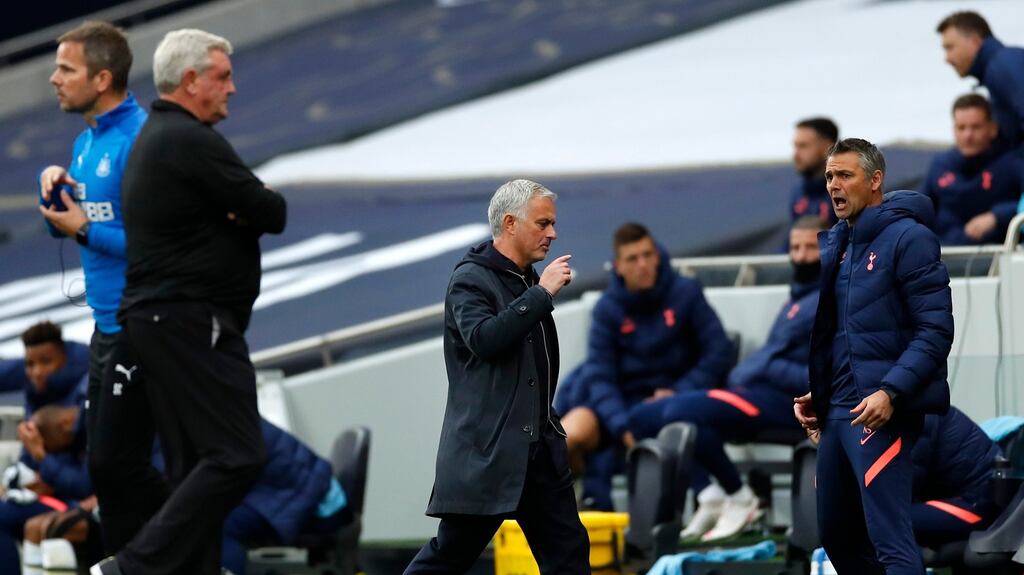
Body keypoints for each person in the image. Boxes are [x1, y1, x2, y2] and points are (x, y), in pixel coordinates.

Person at [91, 29, 287, 575]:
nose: (232, 88)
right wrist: (245, 211)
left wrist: (240, 212)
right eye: (223, 76)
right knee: (237, 453)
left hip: (158, 321)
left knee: (192, 467)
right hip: (189, 320)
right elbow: (270, 210)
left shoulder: (162, 137)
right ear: (191, 79)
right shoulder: (188, 140)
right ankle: (129, 567)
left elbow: (254, 210)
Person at [404, 179, 589, 574]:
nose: (553, 233)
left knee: (569, 557)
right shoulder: (471, 280)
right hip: (490, 454)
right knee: (449, 555)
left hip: (537, 451)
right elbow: (485, 340)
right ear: (510, 223)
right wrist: (542, 295)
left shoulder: (524, 278)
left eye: (552, 224)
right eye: (542, 224)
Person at [34, 21, 165, 559]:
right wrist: (55, 192)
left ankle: (174, 553)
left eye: (66, 69)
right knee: (108, 465)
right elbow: (71, 224)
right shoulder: (86, 142)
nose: (53, 79)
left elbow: (155, 245)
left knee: (116, 464)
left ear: (102, 77)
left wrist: (83, 228)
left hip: (142, 324)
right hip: (105, 326)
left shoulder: (140, 140)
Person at [794, 138, 954, 575]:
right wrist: (821, 394)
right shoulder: (840, 242)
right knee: (837, 537)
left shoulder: (911, 238)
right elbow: (848, 335)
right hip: (839, 412)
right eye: (829, 176)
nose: (833, 185)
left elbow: (935, 330)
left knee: (889, 538)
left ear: (875, 179)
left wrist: (891, 392)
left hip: (881, 413)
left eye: (844, 175)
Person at [627, 215, 826, 541]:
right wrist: (759, 367)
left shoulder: (833, 301)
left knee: (679, 413)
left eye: (810, 248)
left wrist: (767, 366)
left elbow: (824, 376)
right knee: (640, 417)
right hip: (750, 392)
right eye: (795, 247)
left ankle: (741, 496)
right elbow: (766, 360)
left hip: (788, 404)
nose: (802, 256)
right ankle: (710, 494)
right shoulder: (797, 300)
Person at [556, 222, 733, 511]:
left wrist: (678, 391)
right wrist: (621, 424)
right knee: (565, 436)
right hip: (622, 405)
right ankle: (571, 513)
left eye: (648, 255)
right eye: (633, 259)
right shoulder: (607, 308)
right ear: (618, 266)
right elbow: (600, 375)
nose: (643, 264)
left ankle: (703, 499)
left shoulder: (685, 292)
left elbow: (718, 353)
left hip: (674, 398)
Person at [920, 94, 1022, 245]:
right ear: (954, 130)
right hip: (945, 256)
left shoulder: (1012, 164)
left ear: (992, 129)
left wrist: (996, 216)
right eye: (961, 128)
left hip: (1000, 256)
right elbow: (920, 209)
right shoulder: (940, 165)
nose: (968, 135)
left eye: (976, 127)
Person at [0, 405, 91, 575]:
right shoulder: (41, 400)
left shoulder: (85, 423)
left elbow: (83, 486)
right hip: (48, 497)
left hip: (73, 502)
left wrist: (42, 457)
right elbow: (29, 468)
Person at [937, 11, 1024, 153]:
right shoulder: (999, 68)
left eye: (950, 47)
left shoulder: (1004, 65)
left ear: (975, 41)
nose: (947, 58)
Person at [0, 322, 87, 416]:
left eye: (46, 361)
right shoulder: (27, 374)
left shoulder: (89, 384)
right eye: (30, 364)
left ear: (64, 357)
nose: (37, 372)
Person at [788, 118, 840, 229]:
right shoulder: (798, 193)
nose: (795, 155)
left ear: (828, 148)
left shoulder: (847, 191)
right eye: (795, 146)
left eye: (803, 146)